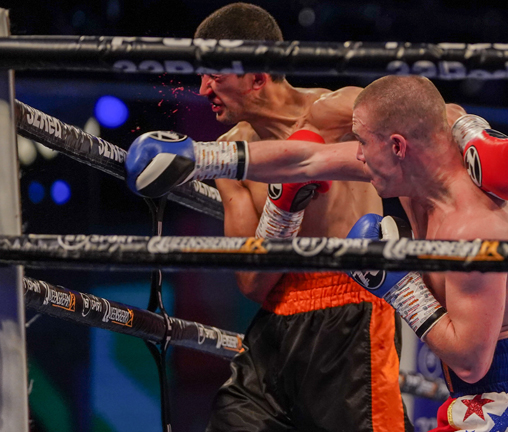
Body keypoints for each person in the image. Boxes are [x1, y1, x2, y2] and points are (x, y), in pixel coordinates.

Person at [127, 75, 508, 431]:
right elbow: (305, 160)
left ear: (397, 146)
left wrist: (398, 285)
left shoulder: (474, 227)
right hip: (488, 395)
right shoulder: (411, 175)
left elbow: (470, 359)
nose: (358, 157)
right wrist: (200, 158)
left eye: (364, 145)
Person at [170, 3, 411, 431]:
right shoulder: (228, 158)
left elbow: (427, 126)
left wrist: (470, 131)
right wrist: (282, 213)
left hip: (351, 313)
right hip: (275, 328)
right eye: (202, 74)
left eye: (216, 76)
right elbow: (250, 283)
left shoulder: (345, 112)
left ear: (258, 78)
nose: (203, 87)